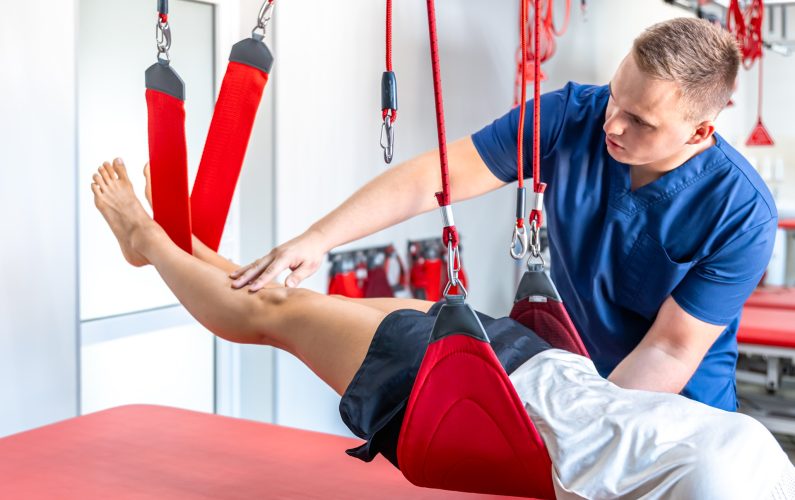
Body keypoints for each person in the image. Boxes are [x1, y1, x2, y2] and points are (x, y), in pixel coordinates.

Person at [92, 158, 793, 499]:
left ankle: (158, 241)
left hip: (500, 381)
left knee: (282, 314)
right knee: (272, 313)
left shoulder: (764, 465)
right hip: (495, 382)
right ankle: (164, 246)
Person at [229, 17, 777, 412]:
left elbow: (669, 348)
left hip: (674, 408)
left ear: (700, 132)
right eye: (614, 98)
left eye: (639, 121)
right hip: (565, 372)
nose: (611, 124)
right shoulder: (569, 116)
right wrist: (317, 237)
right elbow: (434, 176)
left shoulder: (742, 212)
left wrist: (584, 424)